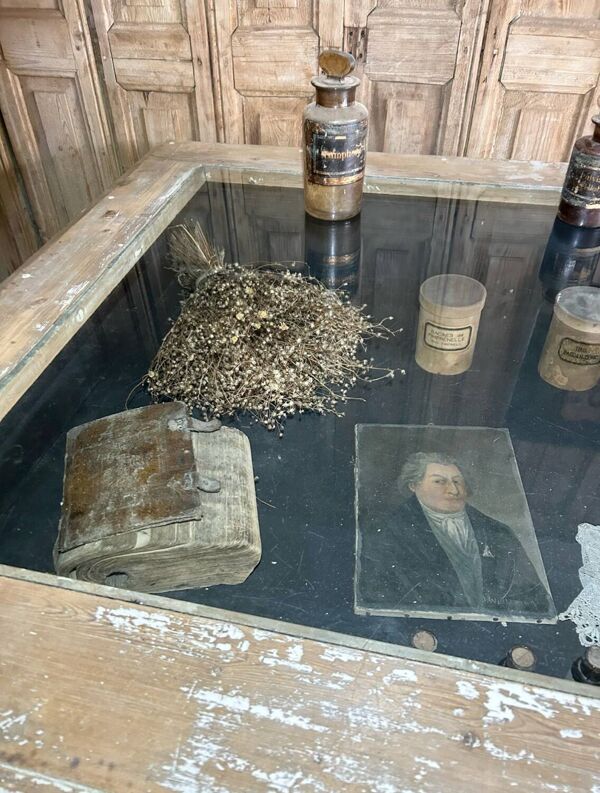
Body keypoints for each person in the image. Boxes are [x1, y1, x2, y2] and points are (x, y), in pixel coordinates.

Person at [358, 452, 552, 615]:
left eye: (458, 481)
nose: (453, 490)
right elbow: (378, 598)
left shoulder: (498, 531)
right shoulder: (387, 532)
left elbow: (534, 597)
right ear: (413, 485)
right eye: (439, 481)